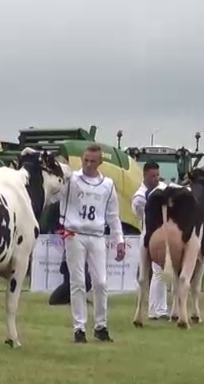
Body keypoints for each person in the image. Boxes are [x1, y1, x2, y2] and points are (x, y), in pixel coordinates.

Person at [51, 143, 126, 343]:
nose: (88, 164)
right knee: (77, 282)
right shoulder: (72, 180)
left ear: (100, 162)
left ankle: (101, 325)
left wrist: (119, 239)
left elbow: (113, 215)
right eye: (86, 160)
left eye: (93, 161)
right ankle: (79, 328)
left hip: (97, 235)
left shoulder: (107, 185)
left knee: (100, 282)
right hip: (74, 233)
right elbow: (56, 193)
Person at [130, 161, 169, 320]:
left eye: (157, 175)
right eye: (152, 176)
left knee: (161, 272)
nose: (156, 179)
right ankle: (154, 309)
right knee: (148, 274)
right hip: (148, 234)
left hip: (164, 234)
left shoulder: (164, 189)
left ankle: (160, 309)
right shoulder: (139, 196)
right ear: (145, 175)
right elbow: (139, 214)